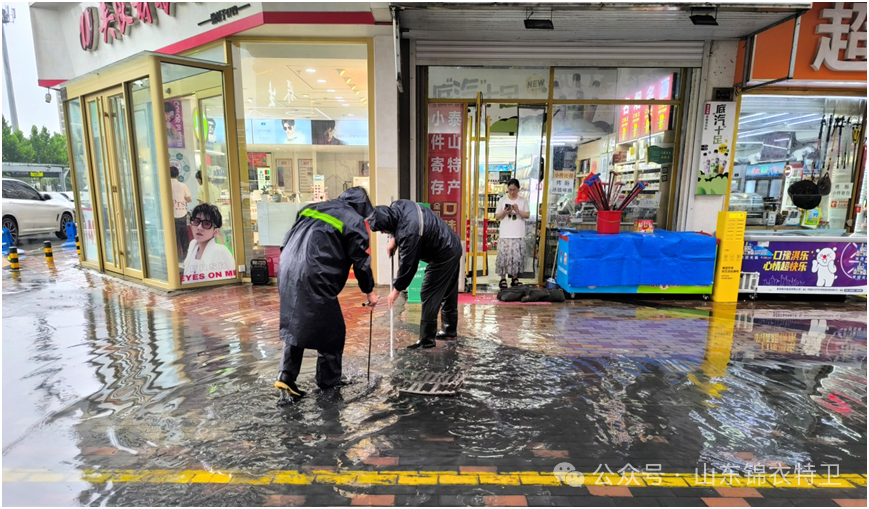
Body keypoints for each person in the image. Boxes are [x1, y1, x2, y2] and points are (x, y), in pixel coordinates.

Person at [275, 186, 378, 397]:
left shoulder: (311, 208)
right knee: (332, 332)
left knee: (296, 322)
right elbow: (361, 261)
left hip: (287, 269)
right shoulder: (353, 219)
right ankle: (328, 385)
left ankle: (286, 376)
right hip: (315, 274)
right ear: (361, 207)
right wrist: (369, 291)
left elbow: (290, 237)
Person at [369, 200, 462, 349]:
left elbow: (408, 265)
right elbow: (399, 225)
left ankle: (426, 340)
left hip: (444, 253)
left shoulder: (410, 232)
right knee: (448, 291)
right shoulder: (398, 205)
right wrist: (394, 240)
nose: (383, 233)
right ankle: (449, 330)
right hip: (452, 244)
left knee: (428, 292)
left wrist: (396, 290)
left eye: (383, 231)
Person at [182, 204, 235, 284]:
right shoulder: (193, 245)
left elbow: (230, 282)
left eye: (206, 224)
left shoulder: (220, 251)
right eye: (196, 222)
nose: (199, 227)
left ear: (216, 231)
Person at [495, 179, 530, 288]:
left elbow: (527, 215)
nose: (512, 192)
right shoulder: (502, 200)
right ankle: (502, 279)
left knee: (517, 257)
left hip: (518, 233)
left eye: (514, 190)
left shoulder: (523, 201)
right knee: (503, 257)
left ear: (518, 189)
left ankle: (515, 278)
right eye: (510, 190)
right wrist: (505, 212)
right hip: (505, 233)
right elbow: (497, 216)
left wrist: (518, 211)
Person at [170, 166, 192, 260]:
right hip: (182, 214)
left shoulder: (166, 185)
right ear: (177, 175)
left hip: (171, 216)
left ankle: (177, 257)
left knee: (174, 237)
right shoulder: (182, 185)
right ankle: (186, 256)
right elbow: (188, 199)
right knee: (184, 236)